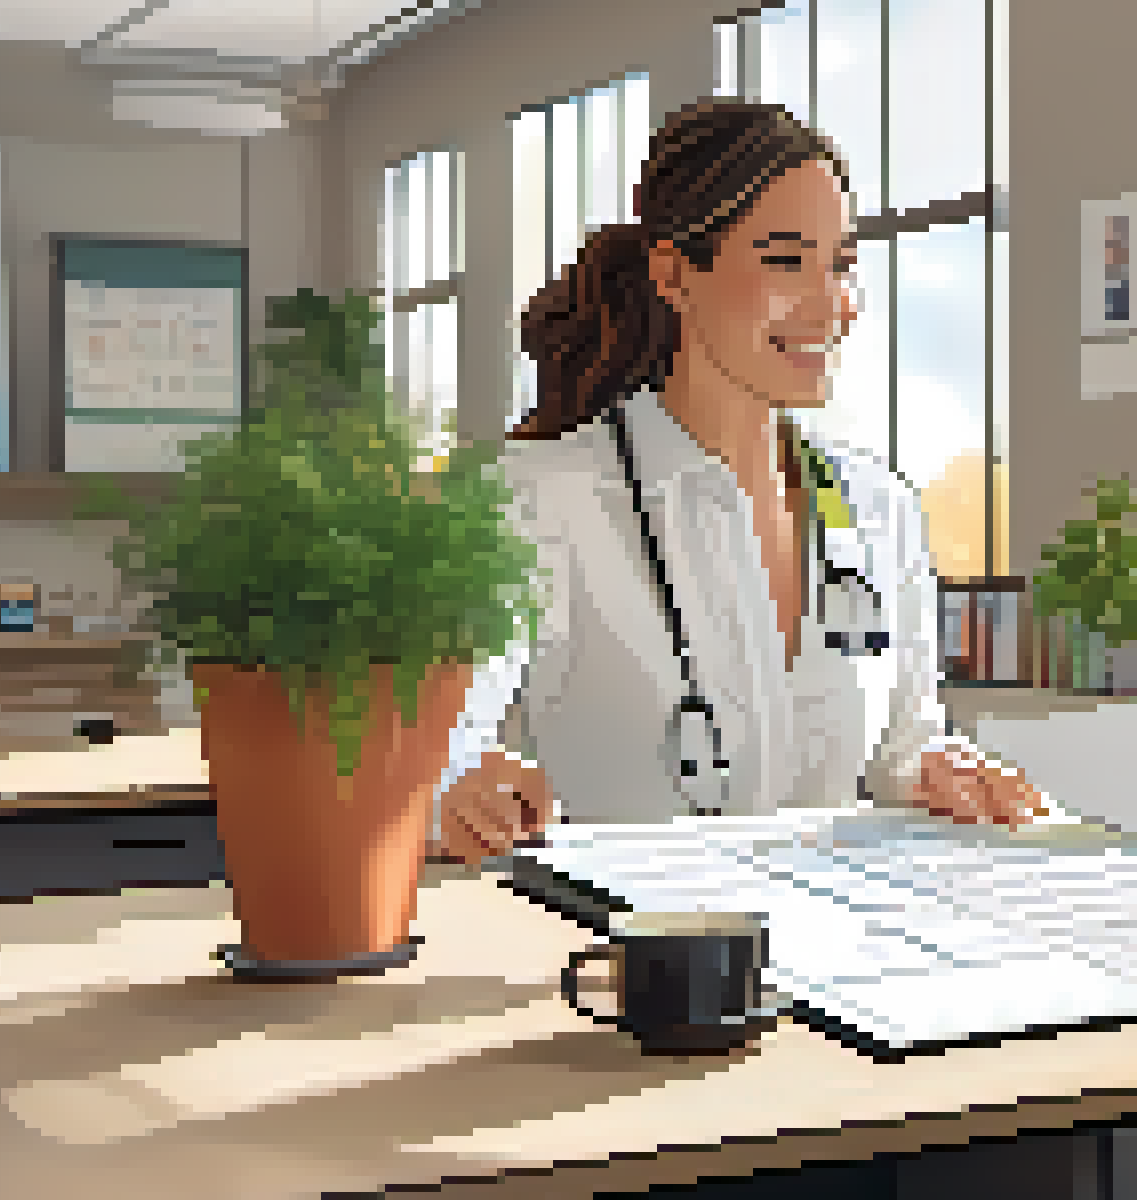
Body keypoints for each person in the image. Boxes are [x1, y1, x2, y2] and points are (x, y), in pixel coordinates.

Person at [432, 99, 1042, 863]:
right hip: (619, 961)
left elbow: (899, 753)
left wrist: (937, 770)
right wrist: (458, 791)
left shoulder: (878, 508)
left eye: (842, 265)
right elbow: (438, 757)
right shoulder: (534, 498)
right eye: (785, 261)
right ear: (675, 273)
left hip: (836, 953)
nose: (831, 305)